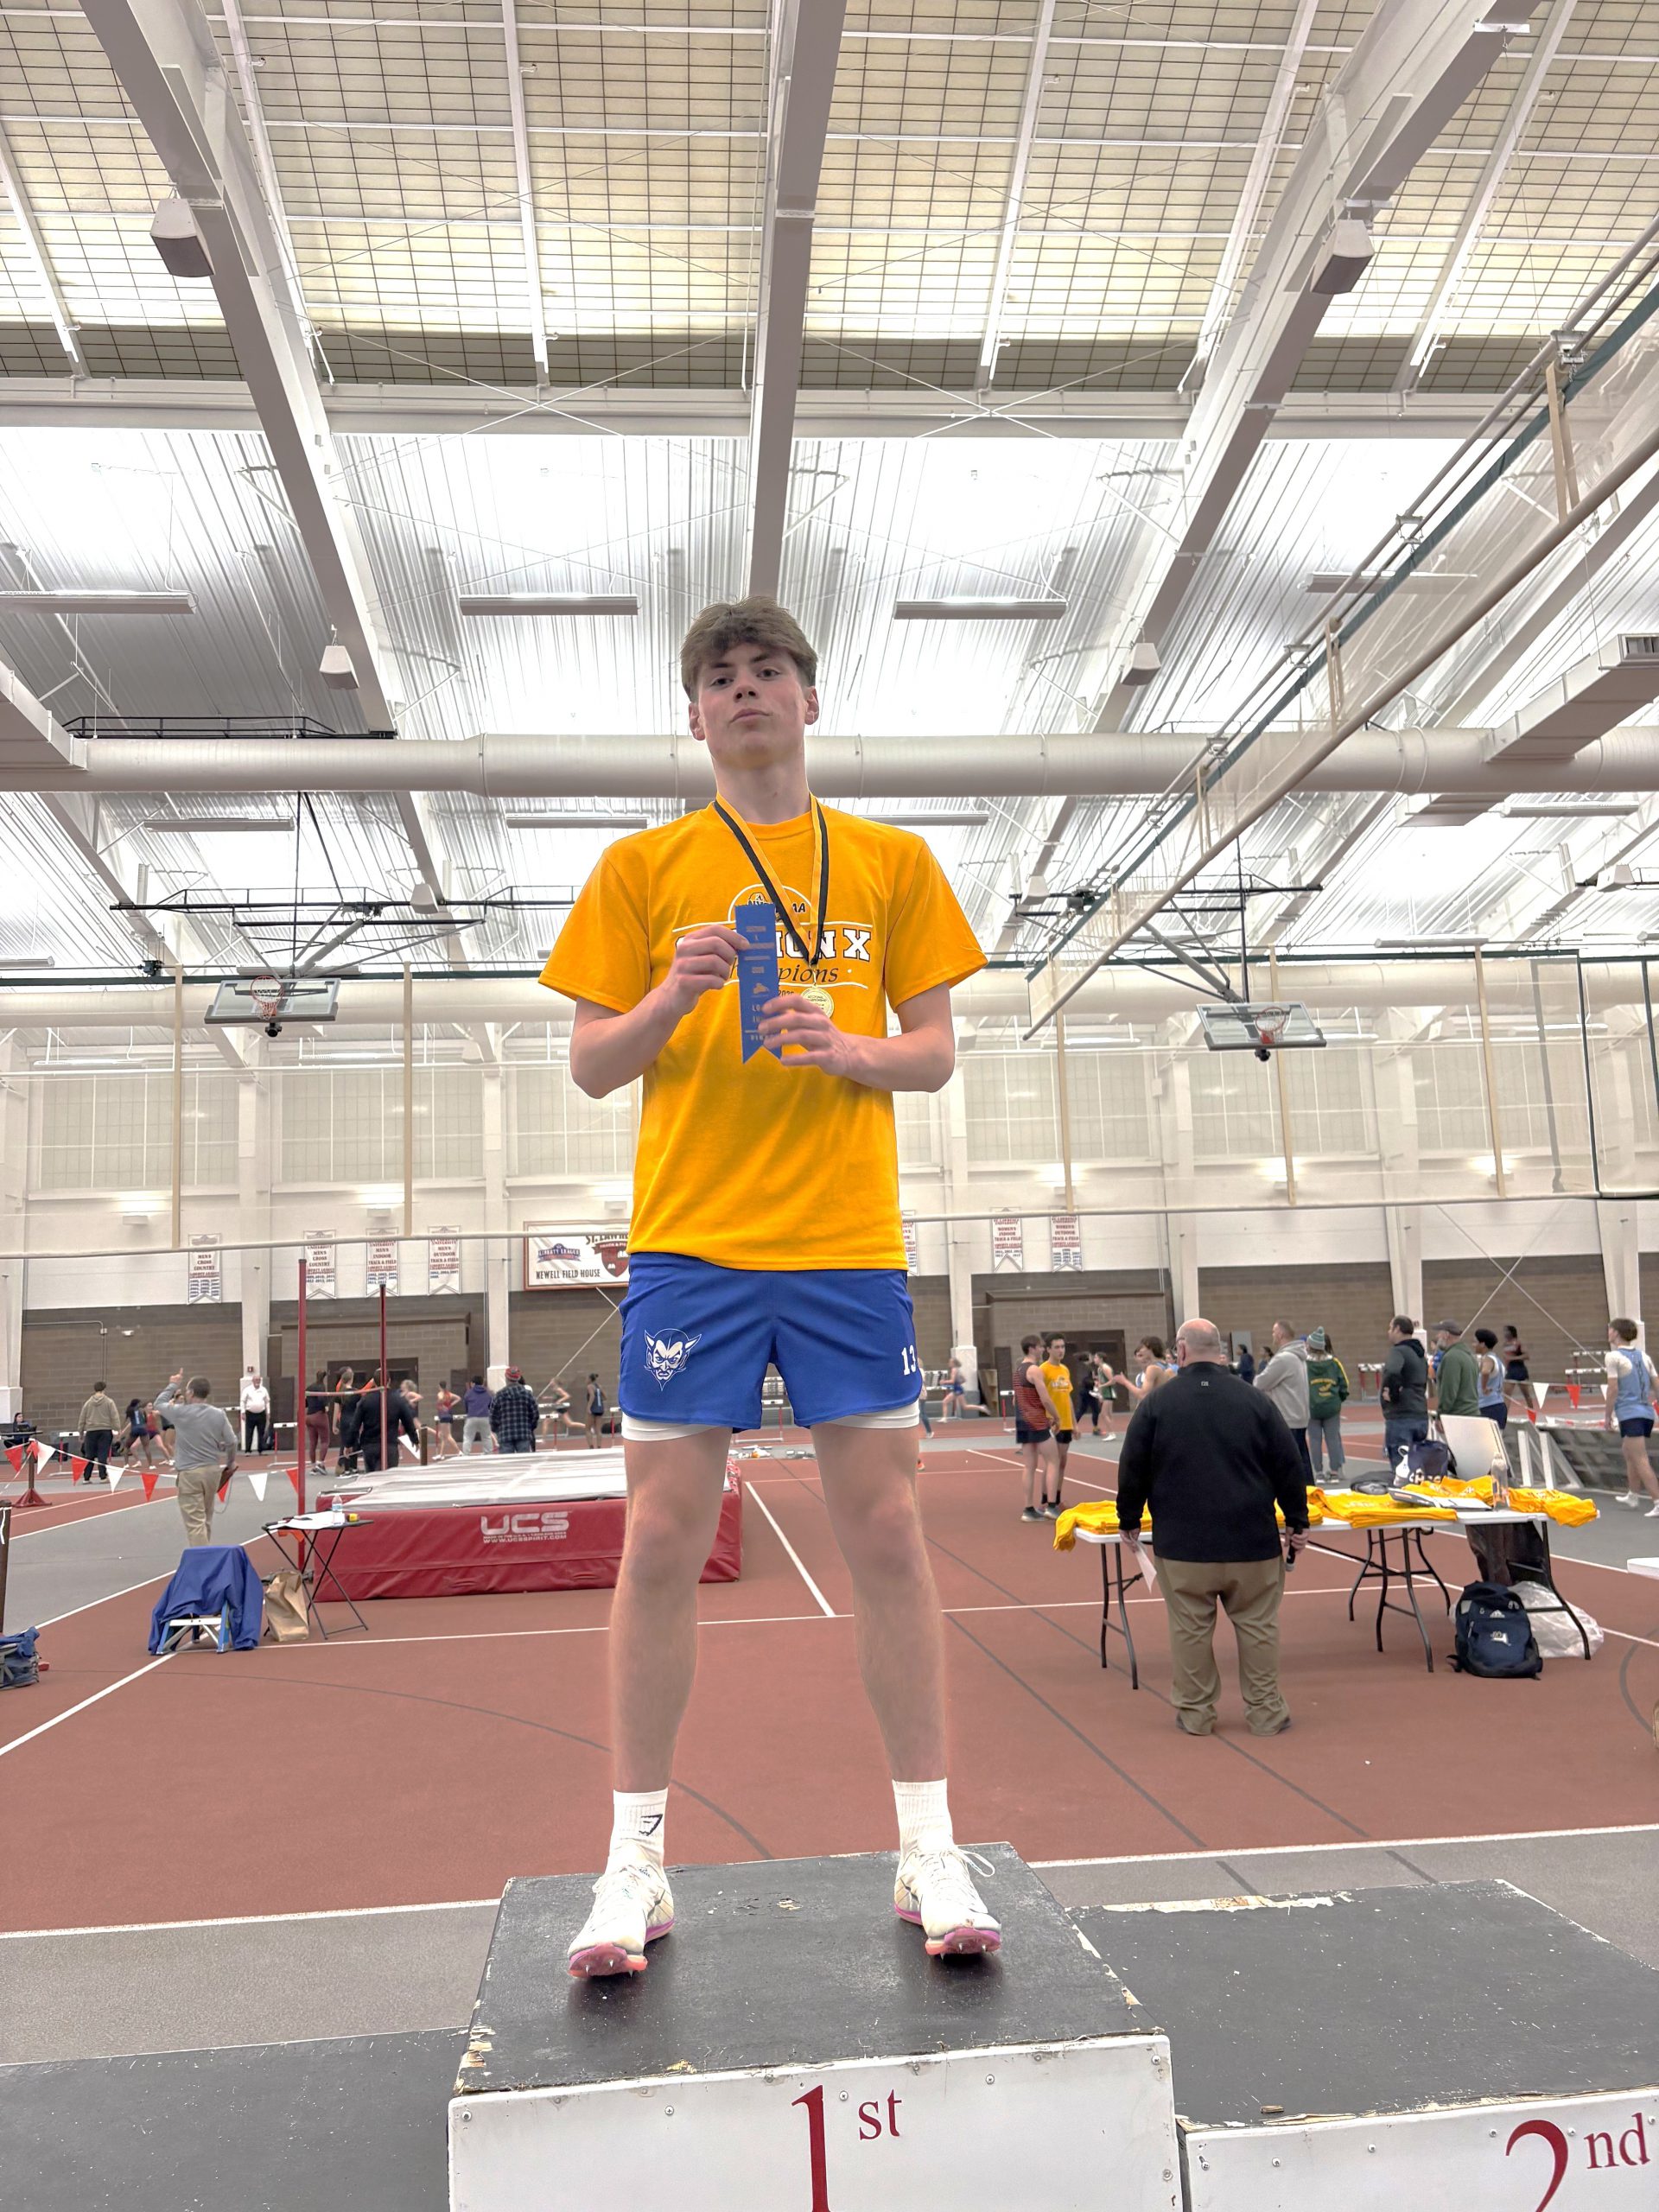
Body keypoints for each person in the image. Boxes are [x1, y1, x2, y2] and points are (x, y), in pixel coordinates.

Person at [540, 592, 996, 1979]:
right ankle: (633, 1866)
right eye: (720, 676)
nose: (746, 690)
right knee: (660, 1540)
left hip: (849, 1244)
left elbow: (934, 1055)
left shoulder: (891, 862)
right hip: (693, 1245)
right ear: (693, 715)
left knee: (892, 1537)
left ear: (810, 697)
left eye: (769, 670)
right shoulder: (639, 869)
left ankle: (928, 1844)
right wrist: (673, 1000)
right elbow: (590, 1064)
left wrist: (847, 1045)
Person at [1116, 1319, 1308, 1738]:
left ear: (1180, 1351)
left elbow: (1132, 1468)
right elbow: (1289, 1466)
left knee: (1189, 1630)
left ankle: (1196, 1713)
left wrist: (1128, 1520)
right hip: (1252, 1542)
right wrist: (1297, 1521)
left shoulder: (1156, 1405)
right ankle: (1266, 1712)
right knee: (1259, 1627)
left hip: (1184, 1545)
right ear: (1219, 1351)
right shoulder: (1256, 1401)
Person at [155, 1375, 238, 1545]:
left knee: (195, 1523)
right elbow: (232, 1441)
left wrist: (172, 1385)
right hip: (212, 1471)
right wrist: (230, 1463)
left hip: (190, 1472)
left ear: (191, 1393)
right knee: (206, 1518)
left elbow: (159, 1404)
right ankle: (206, 1552)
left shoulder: (181, 1412)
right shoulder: (218, 1414)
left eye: (186, 1391)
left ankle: (203, 1561)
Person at [1605, 1318, 1659, 1514]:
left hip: (1630, 1412)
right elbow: (1657, 1385)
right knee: (1629, 1452)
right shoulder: (1644, 1356)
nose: (1608, 1333)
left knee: (1640, 1458)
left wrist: (1607, 1416)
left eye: (1610, 1330)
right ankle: (1633, 1494)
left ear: (1616, 1333)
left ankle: (1658, 1501)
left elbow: (1613, 1389)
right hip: (1645, 1412)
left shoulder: (1613, 1357)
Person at [1254, 1320, 1312, 1476]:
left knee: (1287, 1465)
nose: (1272, 1335)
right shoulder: (1299, 1357)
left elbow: (1260, 1382)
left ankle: (1294, 1495)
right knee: (1302, 1463)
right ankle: (1308, 1493)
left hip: (1287, 1418)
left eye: (1274, 1332)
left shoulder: (1283, 1359)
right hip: (1299, 1416)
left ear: (1280, 1334)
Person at [1013, 1333, 1060, 1522]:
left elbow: (1016, 1399)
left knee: (1029, 1465)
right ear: (1032, 1348)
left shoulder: (1018, 1371)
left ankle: (1028, 1509)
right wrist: (1056, 1417)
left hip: (1022, 1421)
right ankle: (1051, 1505)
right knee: (1053, 1461)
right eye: (1040, 1347)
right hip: (1037, 1421)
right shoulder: (1034, 1370)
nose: (1042, 1350)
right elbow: (1046, 1398)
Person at [1379, 1317, 1429, 1470]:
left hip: (1402, 1415)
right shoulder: (1421, 1355)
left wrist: (1392, 1394)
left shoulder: (1398, 1351)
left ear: (1398, 1329)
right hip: (1420, 1413)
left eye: (1390, 1328)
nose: (1388, 1332)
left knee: (1401, 1466)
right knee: (1418, 1466)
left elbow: (1392, 1371)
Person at [344, 1376, 419, 1474]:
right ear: (389, 1381)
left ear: (374, 1382)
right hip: (389, 1445)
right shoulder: (398, 1400)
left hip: (371, 1446)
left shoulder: (366, 1400)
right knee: (389, 1478)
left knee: (372, 1477)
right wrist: (414, 1439)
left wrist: (349, 1444)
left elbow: (355, 1424)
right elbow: (408, 1421)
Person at [1304, 1328, 1349, 1478]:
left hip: (1312, 1408)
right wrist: (1338, 1400)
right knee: (1333, 1439)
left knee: (1315, 1440)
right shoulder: (1334, 1363)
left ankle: (1318, 1471)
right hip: (1331, 1406)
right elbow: (1344, 1385)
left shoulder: (1305, 1365)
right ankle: (1335, 1470)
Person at [1039, 1332, 1076, 1513]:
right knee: (1052, 1462)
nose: (1061, 1350)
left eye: (1063, 1347)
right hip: (1052, 1423)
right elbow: (1040, 1397)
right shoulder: (1043, 1370)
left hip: (1066, 1422)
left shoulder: (1065, 1370)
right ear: (1048, 1349)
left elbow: (1067, 1397)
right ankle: (1047, 1501)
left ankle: (1057, 1499)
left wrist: (1075, 1424)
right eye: (1057, 1347)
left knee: (1062, 1463)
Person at [1433, 1320, 1480, 1419]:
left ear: (1446, 1335)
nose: (1437, 1337)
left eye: (1439, 1333)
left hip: (1459, 1416)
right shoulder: (1469, 1355)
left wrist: (1441, 1414)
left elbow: (1449, 1390)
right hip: (1472, 1413)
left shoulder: (1451, 1357)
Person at [492, 1366, 542, 1455]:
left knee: (507, 1464)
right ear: (519, 1377)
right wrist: (530, 1428)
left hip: (505, 1434)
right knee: (524, 1463)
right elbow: (535, 1414)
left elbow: (493, 1416)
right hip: (523, 1433)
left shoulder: (499, 1395)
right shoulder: (527, 1395)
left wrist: (497, 1430)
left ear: (506, 1377)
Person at [1109, 1337, 1173, 1406]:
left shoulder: (1153, 1369)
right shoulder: (1169, 1367)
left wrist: (1125, 1382)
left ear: (1149, 1348)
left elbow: (1143, 1396)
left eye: (1143, 1346)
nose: (1141, 1348)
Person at [78, 1381, 119, 1483]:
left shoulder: (88, 1403)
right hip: (105, 1430)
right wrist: (118, 1429)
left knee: (89, 1455)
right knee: (103, 1454)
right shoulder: (109, 1402)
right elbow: (114, 1416)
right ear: (104, 1389)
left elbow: (82, 1418)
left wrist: (81, 1431)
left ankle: (86, 1478)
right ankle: (103, 1476)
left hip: (91, 1431)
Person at [1474, 1328, 1509, 1432]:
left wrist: (1484, 1387)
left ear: (1482, 1344)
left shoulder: (1488, 1359)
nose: (1473, 1345)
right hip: (1498, 1404)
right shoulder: (1498, 1360)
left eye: (1475, 1342)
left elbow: (1485, 1371)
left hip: (1488, 1406)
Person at [124, 1395, 162, 1471]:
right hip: (143, 1429)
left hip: (134, 1429)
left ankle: (126, 1464)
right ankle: (150, 1465)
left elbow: (126, 1420)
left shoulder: (129, 1410)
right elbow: (145, 1420)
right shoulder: (142, 1410)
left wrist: (121, 1429)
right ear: (138, 1404)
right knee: (146, 1447)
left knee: (127, 1446)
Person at [304, 1371, 334, 1471]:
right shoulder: (321, 1387)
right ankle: (320, 1463)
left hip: (309, 1416)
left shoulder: (309, 1387)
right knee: (325, 1441)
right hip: (319, 1415)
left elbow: (305, 1402)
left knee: (313, 1442)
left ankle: (313, 1466)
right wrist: (326, 1406)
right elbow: (321, 1398)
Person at [1501, 1325, 1533, 1418]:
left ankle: (1532, 1415)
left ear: (1512, 1332)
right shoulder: (1505, 1344)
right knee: (1507, 1395)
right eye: (1504, 1332)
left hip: (1520, 1369)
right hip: (1510, 1370)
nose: (1505, 1334)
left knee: (1526, 1395)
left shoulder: (1518, 1343)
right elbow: (1505, 1358)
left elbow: (1527, 1356)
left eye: (1507, 1331)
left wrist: (1514, 1358)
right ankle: (1504, 1417)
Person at [240, 1370, 272, 1455]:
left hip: (261, 1414)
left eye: (259, 1380)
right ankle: (248, 1451)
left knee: (261, 1432)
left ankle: (260, 1450)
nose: (257, 1381)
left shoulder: (264, 1390)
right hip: (250, 1414)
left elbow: (267, 1402)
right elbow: (243, 1401)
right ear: (252, 1381)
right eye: (256, 1380)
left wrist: (268, 1413)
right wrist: (243, 1412)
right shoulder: (247, 1390)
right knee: (249, 1432)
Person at [1073, 1350, 1103, 1437]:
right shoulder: (1084, 1367)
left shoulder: (1087, 1367)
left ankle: (1072, 1427)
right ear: (1086, 1358)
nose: (1092, 1357)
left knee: (1082, 1410)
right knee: (1095, 1409)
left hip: (1086, 1390)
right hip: (1087, 1391)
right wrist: (1094, 1383)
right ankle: (1095, 1428)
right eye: (1090, 1356)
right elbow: (1085, 1380)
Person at [461, 1375, 493, 1454]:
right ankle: (488, 1453)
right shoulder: (487, 1393)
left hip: (472, 1417)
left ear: (472, 1383)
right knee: (487, 1437)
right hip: (485, 1417)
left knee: (468, 1437)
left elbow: (466, 1405)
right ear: (482, 1383)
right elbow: (490, 1405)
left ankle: (466, 1454)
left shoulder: (469, 1393)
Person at [434, 1382, 461, 1458]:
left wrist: (441, 1403)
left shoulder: (440, 1394)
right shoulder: (449, 1394)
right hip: (449, 1415)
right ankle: (441, 1454)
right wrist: (451, 1404)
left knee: (448, 1436)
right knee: (444, 1436)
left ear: (440, 1386)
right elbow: (458, 1398)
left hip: (443, 1415)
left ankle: (458, 1451)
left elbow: (440, 1399)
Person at [582, 1371, 607, 1446]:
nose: (586, 1380)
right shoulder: (599, 1386)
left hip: (593, 1409)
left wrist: (588, 1407)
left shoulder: (590, 1386)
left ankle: (591, 1446)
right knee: (598, 1430)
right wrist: (599, 1400)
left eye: (587, 1379)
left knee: (587, 1429)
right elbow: (605, 1397)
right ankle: (599, 1446)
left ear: (590, 1379)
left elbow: (592, 1396)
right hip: (600, 1409)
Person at [943, 1356, 968, 1420]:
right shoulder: (958, 1370)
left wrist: (944, 1382)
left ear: (953, 1363)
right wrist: (958, 1383)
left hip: (957, 1390)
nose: (949, 1363)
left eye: (950, 1362)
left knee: (945, 1402)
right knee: (964, 1406)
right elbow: (964, 1380)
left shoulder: (954, 1370)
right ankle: (944, 1418)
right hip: (957, 1389)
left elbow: (952, 1381)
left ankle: (944, 1418)